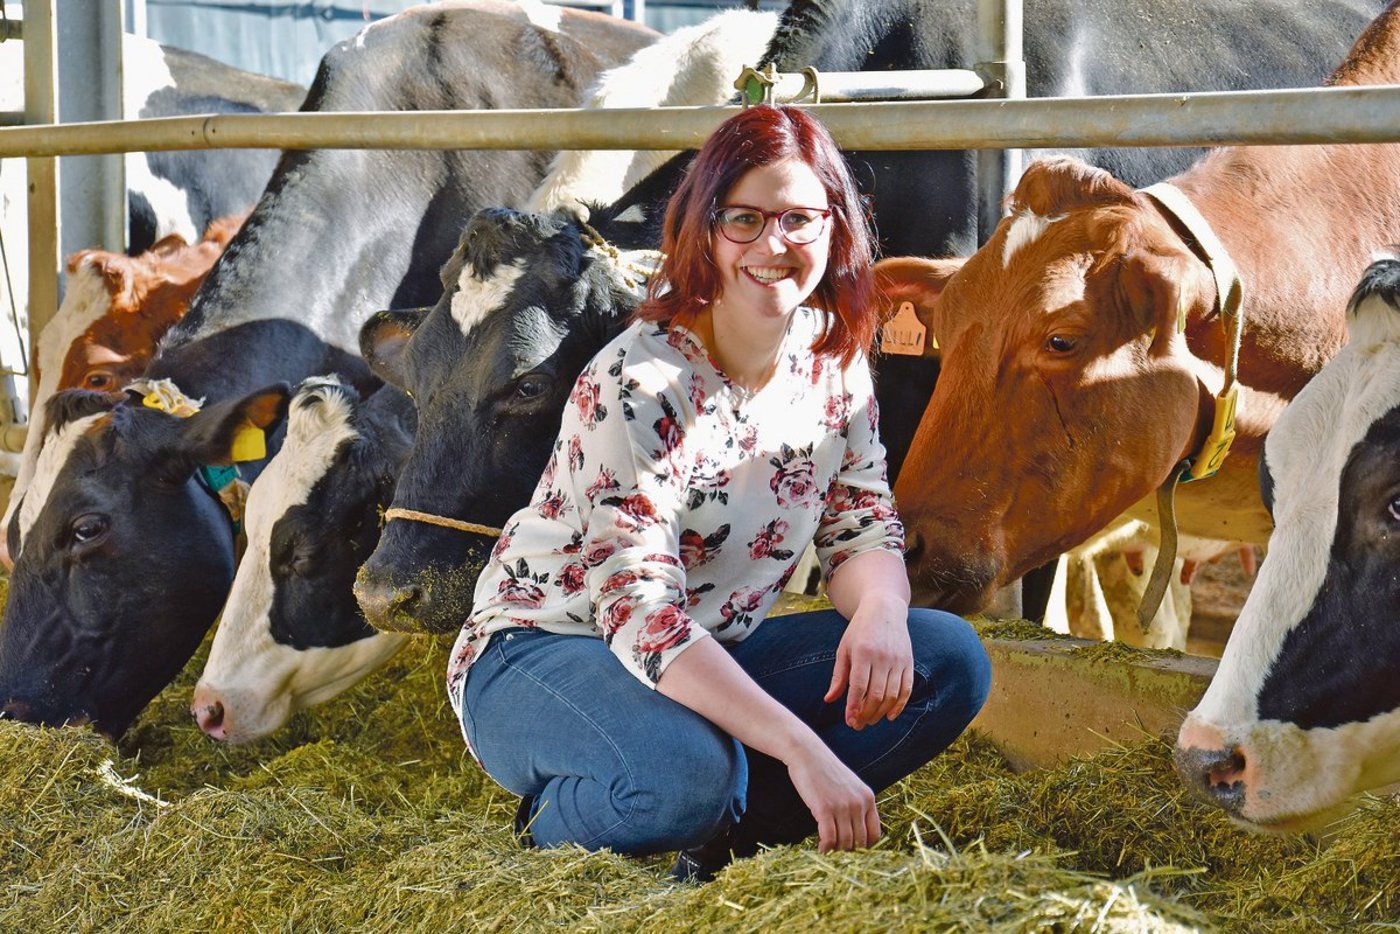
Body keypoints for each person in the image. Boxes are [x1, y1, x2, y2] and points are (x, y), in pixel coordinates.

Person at [446, 104, 991, 882]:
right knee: (686, 779)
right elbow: (641, 615)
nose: (775, 245)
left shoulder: (832, 363)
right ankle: (557, 831)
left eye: (800, 219)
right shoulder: (638, 381)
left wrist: (880, 612)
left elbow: (863, 525)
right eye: (745, 220)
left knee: (946, 660)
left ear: (835, 229)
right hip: (544, 652)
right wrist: (801, 747)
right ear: (703, 230)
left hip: (704, 655)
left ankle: (713, 844)